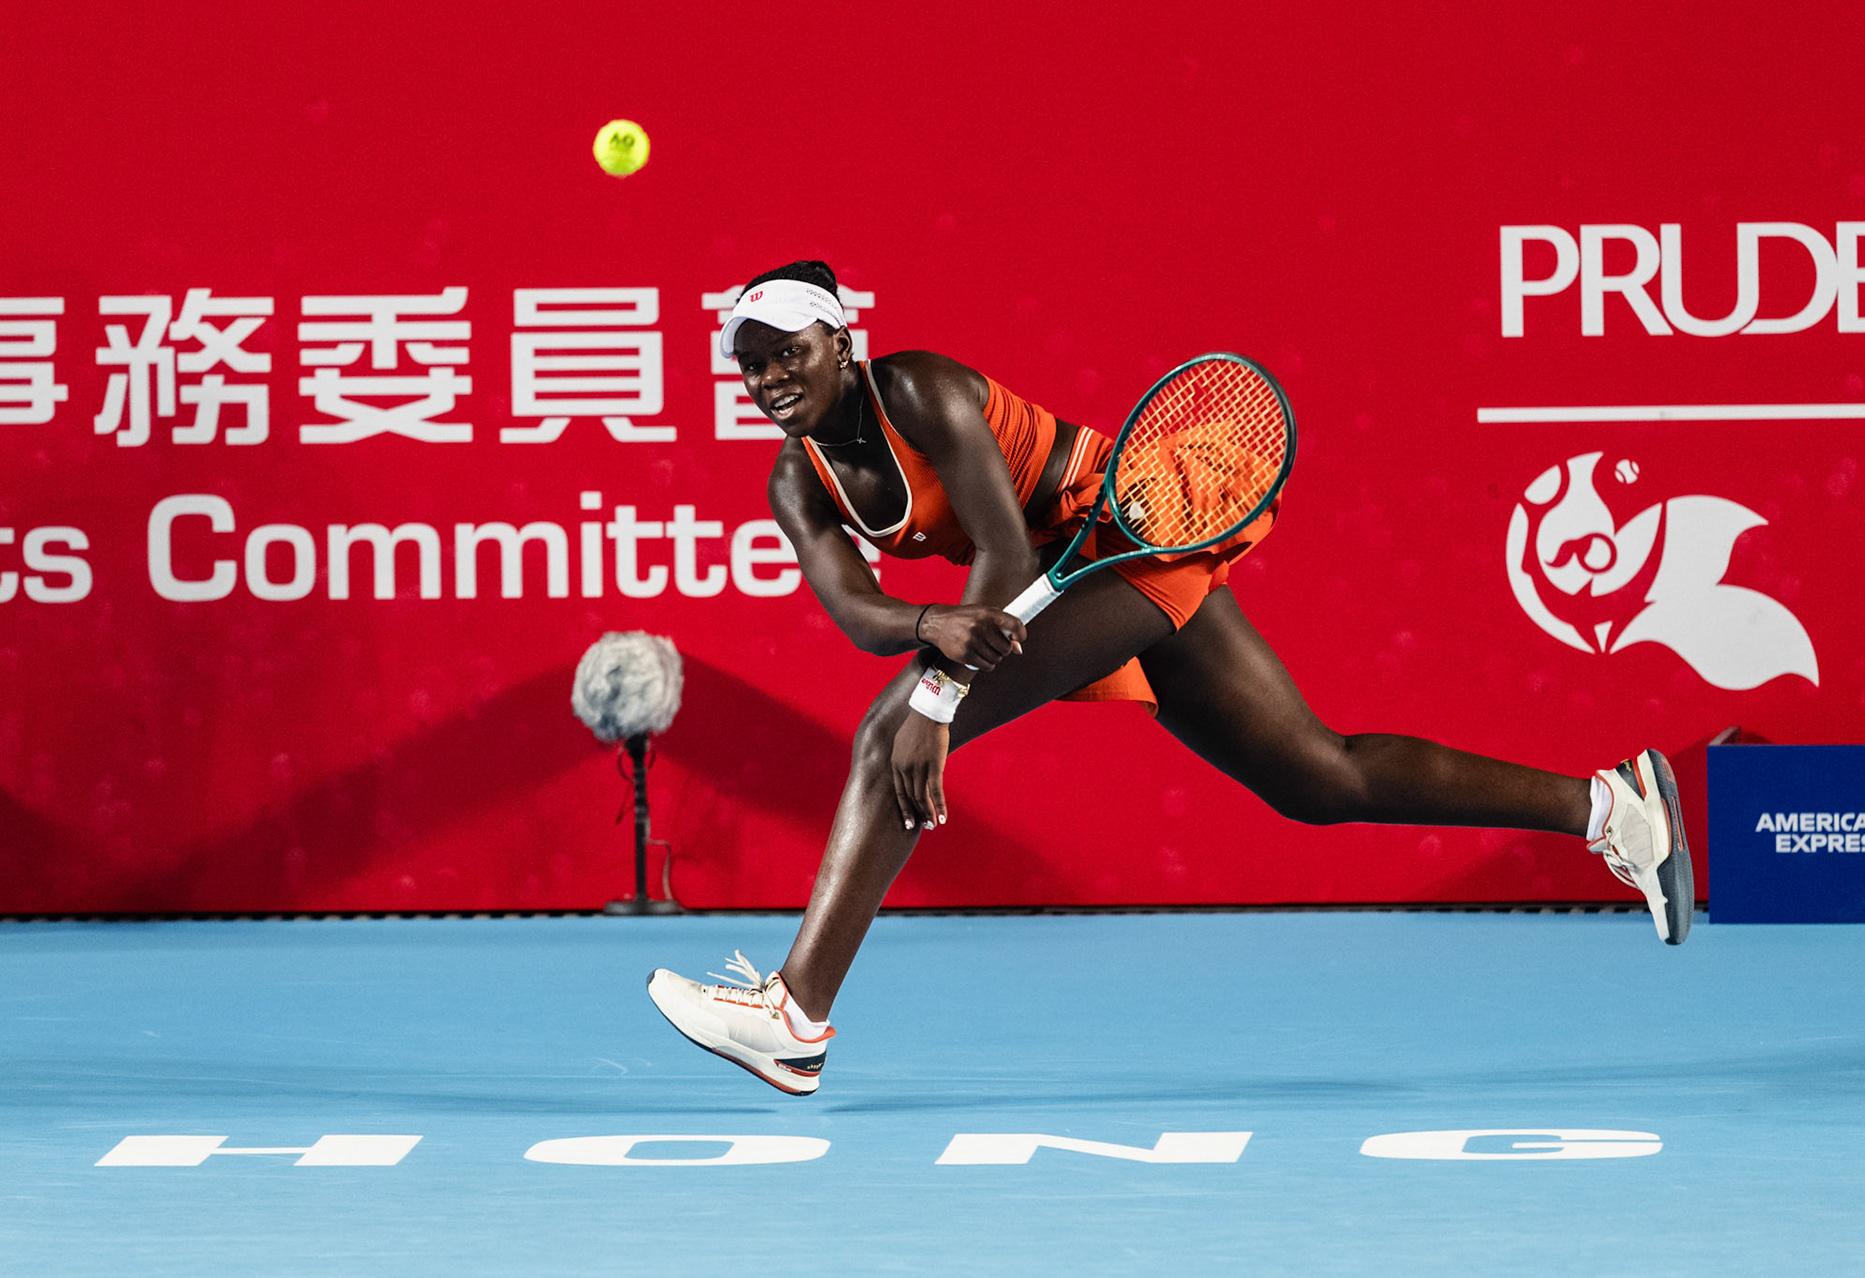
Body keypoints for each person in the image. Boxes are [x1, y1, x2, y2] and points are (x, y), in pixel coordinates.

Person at [646, 261, 1692, 1095]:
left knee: (893, 731)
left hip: (1127, 531)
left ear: (841, 342)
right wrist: (926, 628)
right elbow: (857, 612)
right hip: (1059, 579)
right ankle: (1611, 808)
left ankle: (793, 1017)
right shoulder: (797, 479)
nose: (770, 379)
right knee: (1318, 779)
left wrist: (936, 697)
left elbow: (1004, 564)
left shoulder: (919, 387)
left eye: (788, 353)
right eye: (750, 367)